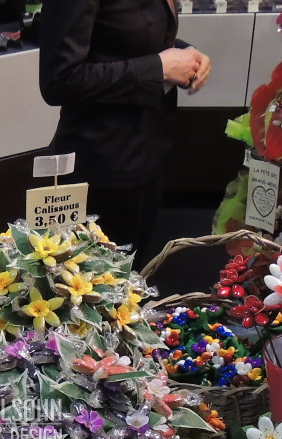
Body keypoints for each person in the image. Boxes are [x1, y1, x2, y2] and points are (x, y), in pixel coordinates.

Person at [39, 0, 211, 268]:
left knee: (133, 279)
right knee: (99, 291)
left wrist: (186, 54)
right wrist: (158, 68)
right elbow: (59, 81)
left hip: (148, 150)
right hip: (102, 165)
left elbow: (127, 39)